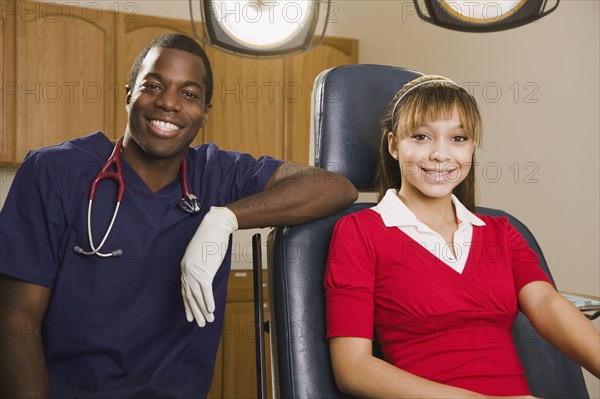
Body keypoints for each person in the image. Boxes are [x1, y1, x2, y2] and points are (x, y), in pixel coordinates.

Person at [0, 33, 357, 398]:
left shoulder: (216, 174)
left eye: (188, 94)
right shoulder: (55, 172)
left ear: (204, 113)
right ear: (128, 94)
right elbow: (15, 320)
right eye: (153, 85)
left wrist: (226, 219)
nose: (169, 103)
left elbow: (334, 187)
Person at [324, 75, 600, 398]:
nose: (441, 155)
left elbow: (546, 303)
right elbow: (352, 369)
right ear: (393, 146)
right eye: (421, 136)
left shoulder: (502, 233)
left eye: (458, 138)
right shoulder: (359, 232)